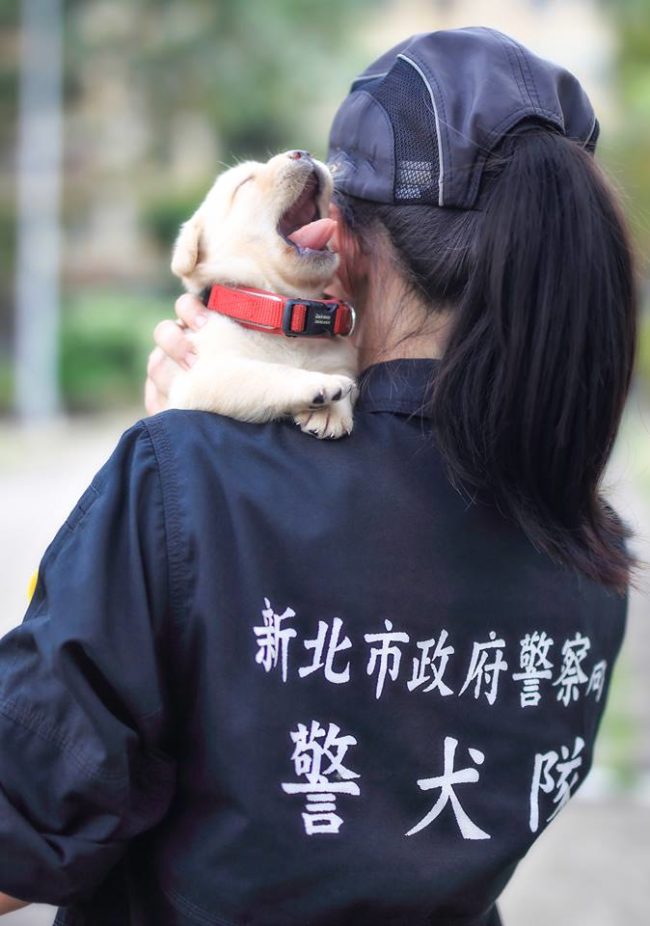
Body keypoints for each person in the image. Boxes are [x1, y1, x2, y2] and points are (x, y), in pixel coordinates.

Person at [0, 27, 638, 926]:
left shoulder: (189, 482)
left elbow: (20, 839)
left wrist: (169, 486)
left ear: (341, 246)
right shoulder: (591, 557)